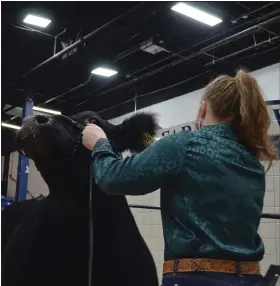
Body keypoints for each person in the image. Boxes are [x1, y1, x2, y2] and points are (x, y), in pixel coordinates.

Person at [82, 70, 277, 286]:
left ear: (203, 108)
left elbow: (111, 178)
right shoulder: (252, 158)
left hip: (197, 279)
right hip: (251, 279)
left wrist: (99, 143)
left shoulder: (184, 144)